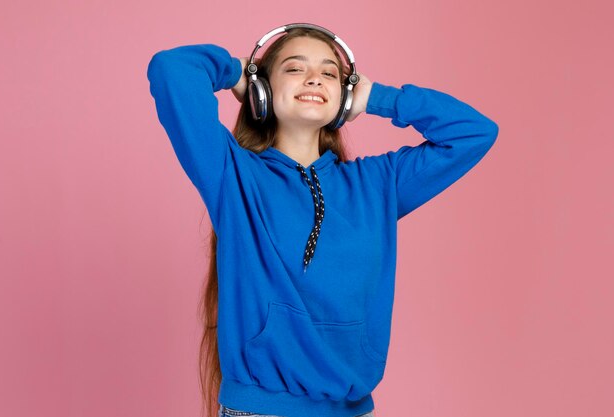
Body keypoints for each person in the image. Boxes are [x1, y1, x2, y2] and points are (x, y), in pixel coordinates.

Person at [147, 23, 498, 417]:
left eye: (330, 73)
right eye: (295, 68)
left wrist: (380, 98)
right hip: (261, 411)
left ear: (345, 99)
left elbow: (474, 133)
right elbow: (170, 70)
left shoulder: (378, 184)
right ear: (263, 91)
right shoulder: (233, 176)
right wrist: (236, 71)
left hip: (352, 410)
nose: (314, 77)